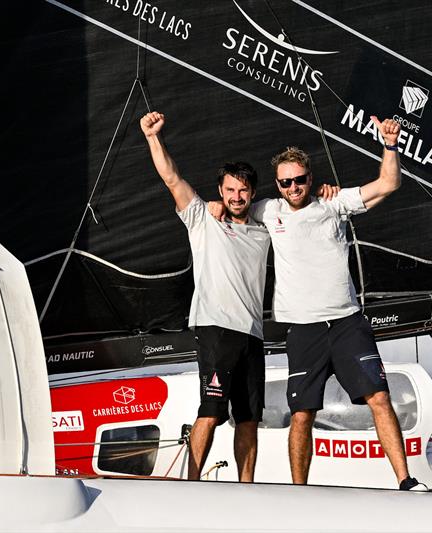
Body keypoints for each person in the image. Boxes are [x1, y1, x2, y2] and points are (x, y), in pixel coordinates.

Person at [219, 116, 426, 490]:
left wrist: (390, 143)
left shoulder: (333, 204)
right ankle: (301, 492)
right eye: (286, 182)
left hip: (347, 323)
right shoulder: (268, 210)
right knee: (302, 414)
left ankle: (406, 480)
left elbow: (389, 183)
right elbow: (235, 202)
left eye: (299, 180)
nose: (293, 187)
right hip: (303, 330)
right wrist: (216, 206)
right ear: (278, 184)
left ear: (310, 179)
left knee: (379, 397)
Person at [140, 111, 271, 482]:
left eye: (243, 190)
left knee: (249, 419)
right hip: (215, 327)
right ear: (220, 191)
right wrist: (152, 137)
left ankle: (247, 488)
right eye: (229, 190)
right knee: (211, 411)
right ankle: (192, 483)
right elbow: (172, 178)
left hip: (252, 334)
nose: (236, 196)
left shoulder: (264, 229)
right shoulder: (203, 219)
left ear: (253, 192)